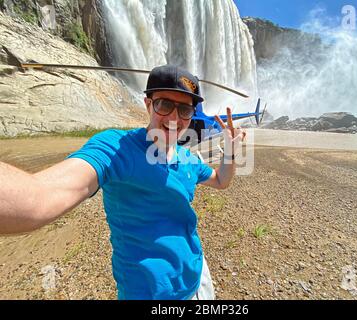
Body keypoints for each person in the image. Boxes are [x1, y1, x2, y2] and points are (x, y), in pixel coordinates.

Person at [0, 64, 246, 300]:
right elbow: (37, 200)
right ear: (148, 104)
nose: (174, 118)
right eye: (164, 104)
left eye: (185, 110)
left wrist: (231, 153)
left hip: (198, 276)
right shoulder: (117, 148)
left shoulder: (188, 159)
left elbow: (221, 180)